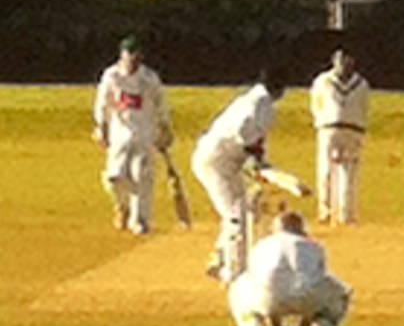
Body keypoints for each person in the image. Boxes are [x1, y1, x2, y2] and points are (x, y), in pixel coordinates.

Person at [191, 66, 287, 282]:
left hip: (226, 162)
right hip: (215, 163)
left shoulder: (257, 100)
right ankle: (232, 273)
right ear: (278, 88)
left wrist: (259, 161)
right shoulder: (259, 102)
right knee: (236, 215)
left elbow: (254, 138)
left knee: (240, 209)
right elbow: (243, 132)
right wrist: (255, 157)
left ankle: (220, 259)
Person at [228, 210, 352, 326]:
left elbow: (263, 280)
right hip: (309, 296)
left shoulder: (261, 245)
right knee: (340, 294)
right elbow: (317, 278)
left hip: (267, 297)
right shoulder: (315, 247)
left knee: (239, 288)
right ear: (301, 229)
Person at [93, 35, 173, 236]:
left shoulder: (149, 79)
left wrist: (165, 129)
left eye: (136, 57)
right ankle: (122, 206)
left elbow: (161, 105)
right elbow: (102, 103)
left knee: (141, 177)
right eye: (129, 57)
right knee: (114, 178)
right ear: (122, 56)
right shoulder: (111, 76)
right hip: (119, 134)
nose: (132, 61)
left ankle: (140, 220)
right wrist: (101, 127)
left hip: (144, 134)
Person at [309, 49, 369, 224]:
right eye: (341, 60)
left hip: (352, 130)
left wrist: (361, 127)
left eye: (347, 60)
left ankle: (346, 214)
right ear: (334, 61)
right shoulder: (323, 81)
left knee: (348, 173)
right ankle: (326, 211)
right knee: (326, 170)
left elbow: (364, 107)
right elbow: (315, 104)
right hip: (329, 128)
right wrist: (319, 122)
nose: (344, 64)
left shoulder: (361, 83)